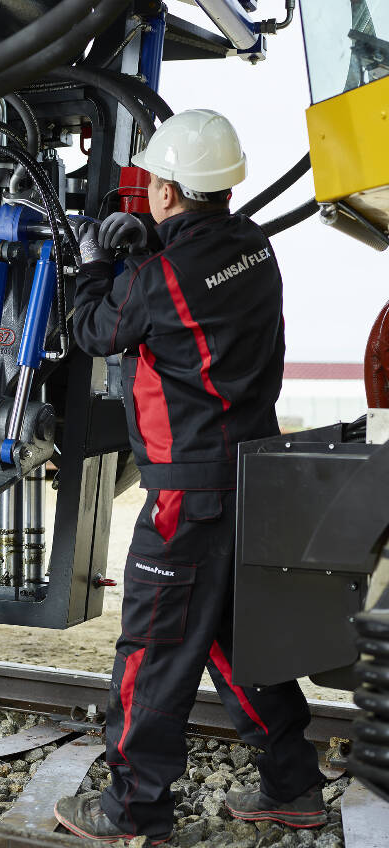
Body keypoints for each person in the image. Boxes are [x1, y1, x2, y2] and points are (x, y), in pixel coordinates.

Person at [54, 109, 326, 842]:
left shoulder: (157, 279)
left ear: (169, 191)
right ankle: (294, 783)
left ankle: (132, 813)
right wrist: (147, 247)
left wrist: (92, 263)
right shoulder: (255, 248)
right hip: (256, 473)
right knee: (237, 636)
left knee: (153, 646)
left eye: (152, 186)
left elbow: (95, 330)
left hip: (189, 493)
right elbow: (196, 288)